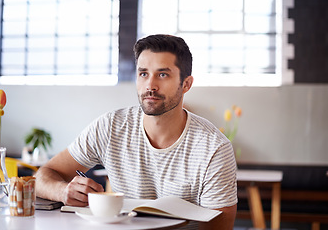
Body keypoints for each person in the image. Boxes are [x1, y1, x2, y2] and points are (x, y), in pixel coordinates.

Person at [35, 34, 238, 229]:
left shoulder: (214, 148)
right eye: (143, 74)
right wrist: (63, 191)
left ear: (186, 84)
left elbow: (219, 226)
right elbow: (42, 177)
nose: (150, 85)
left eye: (163, 74)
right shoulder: (110, 127)